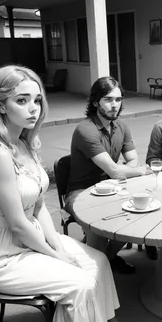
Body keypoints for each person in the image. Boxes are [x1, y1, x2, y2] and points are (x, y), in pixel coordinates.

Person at [0, 65, 142, 322]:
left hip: (29, 236)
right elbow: (18, 224)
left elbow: (38, 208)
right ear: (0, 105)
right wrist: (57, 255)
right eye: (22, 101)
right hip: (2, 255)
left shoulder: (25, 143)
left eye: (36, 100)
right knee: (80, 280)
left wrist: (54, 241)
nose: (33, 108)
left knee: (99, 259)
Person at [65, 76, 154, 270]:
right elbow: (115, 170)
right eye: (108, 99)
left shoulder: (121, 126)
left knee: (141, 210)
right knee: (99, 224)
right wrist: (136, 171)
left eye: (118, 99)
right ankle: (97, 268)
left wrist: (126, 171)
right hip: (80, 193)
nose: (114, 105)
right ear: (96, 101)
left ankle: (103, 259)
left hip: (112, 188)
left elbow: (132, 160)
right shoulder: (85, 129)